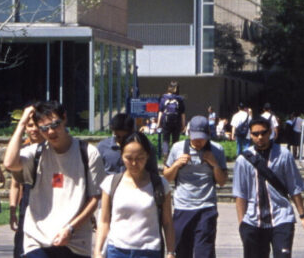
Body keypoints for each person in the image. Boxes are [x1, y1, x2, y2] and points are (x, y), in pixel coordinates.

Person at [2, 101, 106, 258]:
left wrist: (70, 228)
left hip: (75, 242)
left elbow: (94, 198)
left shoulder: (88, 153)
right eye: (44, 128)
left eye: (55, 124)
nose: (50, 132)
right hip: (37, 239)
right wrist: (22, 122)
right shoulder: (36, 153)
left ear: (64, 119)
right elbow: (9, 163)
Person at [232, 116, 304, 257]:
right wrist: (242, 225)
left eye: (263, 132)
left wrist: (303, 216)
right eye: (255, 134)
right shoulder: (243, 160)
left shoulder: (283, 155)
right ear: (250, 135)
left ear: (270, 132)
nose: (260, 137)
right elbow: (240, 194)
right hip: (253, 220)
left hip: (281, 217)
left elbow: (294, 188)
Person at [94, 132, 176, 258]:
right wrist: (97, 251)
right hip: (116, 251)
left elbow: (167, 222)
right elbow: (104, 221)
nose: (134, 163)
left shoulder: (160, 184)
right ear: (121, 156)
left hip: (149, 251)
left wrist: (171, 252)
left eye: (139, 158)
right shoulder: (111, 183)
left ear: (147, 156)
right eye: (129, 158)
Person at [163, 116, 227, 258]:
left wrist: (214, 164)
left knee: (204, 251)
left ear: (208, 135)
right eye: (195, 138)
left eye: (202, 138)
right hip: (183, 207)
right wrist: (176, 165)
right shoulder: (177, 148)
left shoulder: (217, 150)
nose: (198, 142)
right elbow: (166, 177)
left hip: (207, 207)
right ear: (189, 133)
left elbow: (222, 181)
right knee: (181, 250)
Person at [10, 114, 45, 258]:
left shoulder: (52, 149)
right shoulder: (21, 151)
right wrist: (12, 210)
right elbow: (15, 184)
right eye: (30, 125)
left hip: (48, 205)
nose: (34, 129)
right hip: (27, 205)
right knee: (21, 248)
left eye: (37, 125)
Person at [158, 82, 187, 156]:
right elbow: (182, 114)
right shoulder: (180, 99)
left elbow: (161, 112)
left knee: (165, 139)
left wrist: (158, 123)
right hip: (176, 122)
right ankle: (174, 156)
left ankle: (165, 155)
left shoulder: (164, 98)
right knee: (175, 140)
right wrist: (183, 125)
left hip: (166, 122)